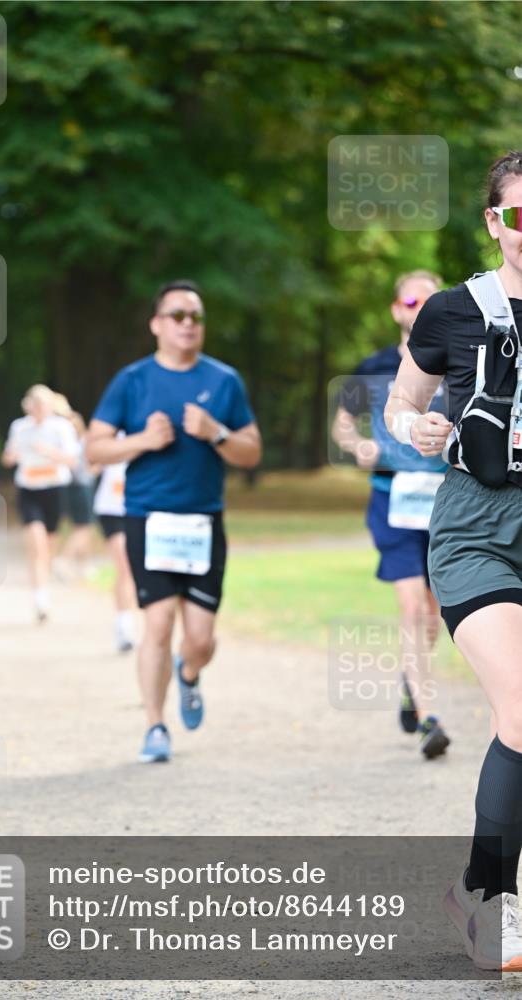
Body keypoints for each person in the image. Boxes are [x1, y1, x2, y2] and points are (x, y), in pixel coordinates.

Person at [385, 151, 522, 971]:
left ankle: (473, 891)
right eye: (518, 215)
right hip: (477, 523)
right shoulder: (452, 310)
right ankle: (493, 908)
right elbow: (402, 403)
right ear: (494, 222)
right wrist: (417, 430)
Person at [86, 280, 262, 763]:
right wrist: (140, 440)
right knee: (158, 625)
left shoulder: (224, 380)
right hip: (148, 518)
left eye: (196, 317)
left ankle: (188, 672)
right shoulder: (132, 380)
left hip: (203, 522)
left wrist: (216, 431)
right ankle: (154, 726)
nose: (188, 324)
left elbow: (251, 452)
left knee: (201, 640)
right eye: (178, 315)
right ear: (156, 324)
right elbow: (94, 448)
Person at [332, 270, 451, 758]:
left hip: (448, 501)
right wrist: (357, 443)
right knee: (412, 607)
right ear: (396, 309)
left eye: (430, 299)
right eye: (410, 299)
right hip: (392, 498)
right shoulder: (375, 367)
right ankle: (428, 718)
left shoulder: (457, 363)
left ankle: (411, 681)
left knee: (434, 614)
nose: (418, 306)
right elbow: (342, 425)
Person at [1, 384, 79, 622]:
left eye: (42, 406)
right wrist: (13, 456)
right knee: (36, 545)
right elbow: (7, 458)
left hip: (55, 489)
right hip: (29, 489)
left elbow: (73, 461)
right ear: (28, 406)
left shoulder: (61, 427)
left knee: (48, 546)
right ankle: (40, 598)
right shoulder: (19, 427)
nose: (38, 410)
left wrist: (49, 452)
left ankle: (46, 581)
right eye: (34, 406)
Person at [92, 453, 137, 653]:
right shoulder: (110, 428)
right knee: (125, 565)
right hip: (111, 508)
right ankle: (124, 624)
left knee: (134, 569)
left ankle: (129, 618)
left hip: (141, 507)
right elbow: (89, 465)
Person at [52, 394, 97, 581]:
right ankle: (64, 560)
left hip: (71, 485)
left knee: (81, 526)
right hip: (80, 485)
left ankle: (83, 565)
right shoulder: (75, 438)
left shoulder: (61, 435)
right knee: (84, 528)